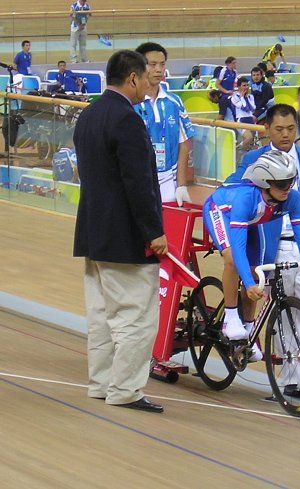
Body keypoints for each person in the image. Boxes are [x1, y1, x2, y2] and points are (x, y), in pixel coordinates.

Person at [226, 104, 300, 399]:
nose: (285, 135)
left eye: (290, 129)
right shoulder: (253, 160)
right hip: (270, 246)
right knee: (280, 313)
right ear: (267, 130)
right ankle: (291, 378)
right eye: (278, 130)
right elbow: (234, 190)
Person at [73, 50, 167, 413]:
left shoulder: (90, 114)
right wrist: (153, 231)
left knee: (101, 316)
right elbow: (138, 184)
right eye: (145, 77)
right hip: (124, 238)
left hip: (93, 234)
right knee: (136, 318)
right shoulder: (127, 120)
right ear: (131, 78)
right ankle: (125, 390)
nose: (148, 83)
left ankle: (101, 383)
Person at [204, 150, 300, 351]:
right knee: (232, 259)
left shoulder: (294, 199)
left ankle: (249, 334)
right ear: (264, 182)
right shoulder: (246, 199)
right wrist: (249, 284)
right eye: (281, 184)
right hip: (221, 211)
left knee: (255, 272)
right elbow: (239, 248)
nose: (287, 188)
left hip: (251, 219)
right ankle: (231, 318)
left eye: (291, 181)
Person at [134, 42, 195, 205]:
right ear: (139, 67)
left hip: (169, 182)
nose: (159, 69)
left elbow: (185, 142)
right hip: (139, 182)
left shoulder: (174, 102)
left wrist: (181, 184)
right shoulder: (129, 104)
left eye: (162, 64)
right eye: (152, 65)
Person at [230, 76, 256, 150]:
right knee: (248, 137)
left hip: (251, 120)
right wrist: (241, 97)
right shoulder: (234, 97)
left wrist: (245, 97)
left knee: (253, 142)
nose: (246, 87)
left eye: (247, 85)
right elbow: (245, 108)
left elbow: (253, 108)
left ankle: (241, 147)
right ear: (238, 87)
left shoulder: (250, 96)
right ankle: (243, 155)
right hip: (241, 120)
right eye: (244, 85)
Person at [215, 56, 237, 120]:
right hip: (223, 96)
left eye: (235, 63)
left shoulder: (235, 72)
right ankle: (214, 126)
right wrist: (226, 92)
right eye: (233, 63)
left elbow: (233, 84)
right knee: (222, 115)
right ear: (228, 64)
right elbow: (217, 84)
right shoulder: (223, 71)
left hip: (231, 96)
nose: (235, 64)